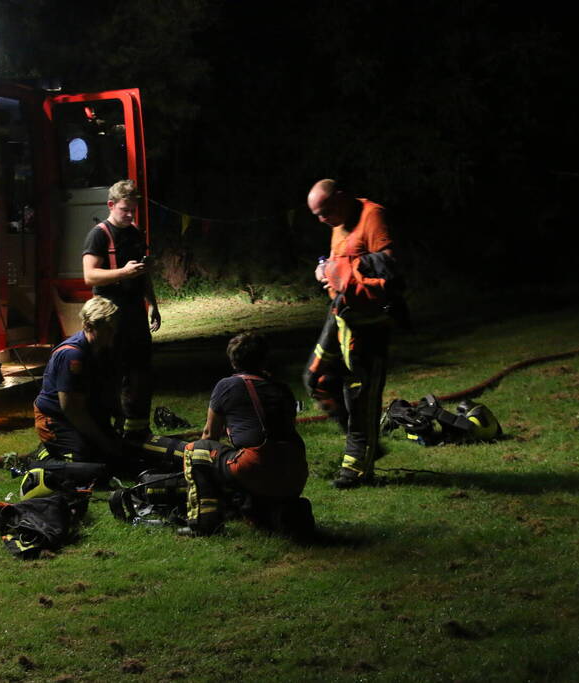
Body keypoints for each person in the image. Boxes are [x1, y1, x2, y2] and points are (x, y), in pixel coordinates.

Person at [302, 178, 398, 489]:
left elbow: (389, 266)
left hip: (368, 322)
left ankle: (357, 468)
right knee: (315, 379)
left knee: (359, 393)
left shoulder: (372, 216)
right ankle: (367, 442)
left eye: (325, 211)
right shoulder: (337, 221)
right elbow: (339, 260)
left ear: (342, 197)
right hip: (340, 314)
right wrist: (325, 268)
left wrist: (341, 270)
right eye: (317, 215)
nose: (322, 219)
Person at [183, 332, 311, 537]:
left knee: (196, 451)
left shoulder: (227, 386)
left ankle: (204, 521)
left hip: (257, 465)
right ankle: (266, 512)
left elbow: (209, 436)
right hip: (295, 470)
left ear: (233, 361)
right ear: (264, 358)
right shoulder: (282, 388)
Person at [81, 179, 160, 438]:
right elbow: (90, 276)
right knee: (111, 375)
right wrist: (122, 273)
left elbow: (143, 273)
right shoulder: (99, 234)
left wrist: (153, 305)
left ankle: (137, 432)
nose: (129, 215)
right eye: (125, 209)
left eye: (133, 210)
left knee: (140, 374)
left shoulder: (135, 232)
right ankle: (108, 432)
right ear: (111, 205)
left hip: (135, 313)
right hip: (109, 318)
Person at [33, 296, 124, 467]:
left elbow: (109, 387)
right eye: (107, 329)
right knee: (87, 461)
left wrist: (118, 414)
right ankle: (45, 456)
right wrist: (101, 440)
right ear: (89, 326)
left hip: (85, 412)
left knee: (118, 453)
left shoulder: (103, 350)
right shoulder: (72, 356)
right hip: (56, 418)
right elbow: (70, 409)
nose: (113, 334)